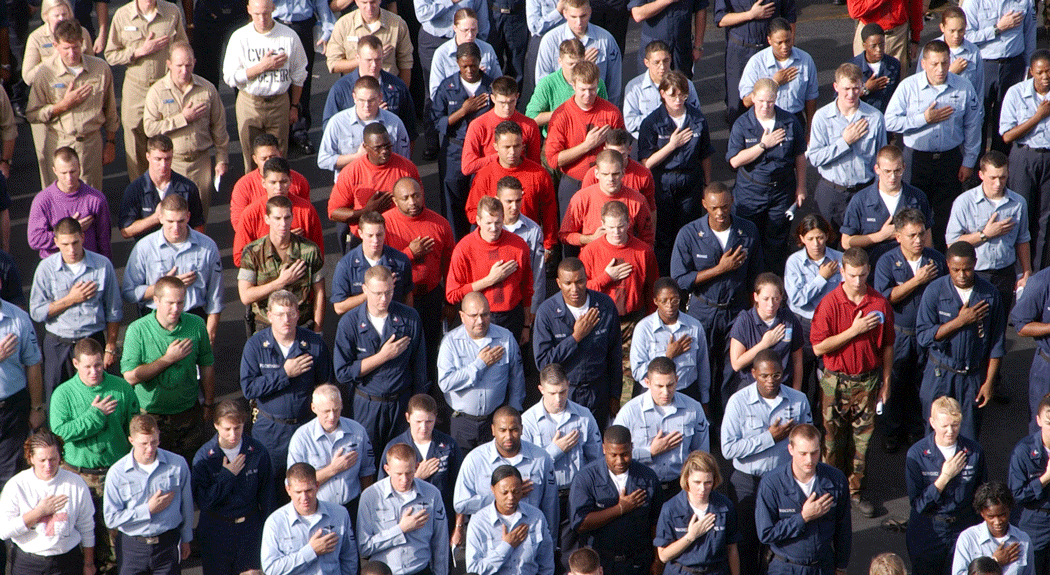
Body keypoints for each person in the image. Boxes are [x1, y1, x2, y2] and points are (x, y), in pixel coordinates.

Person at [810, 246, 893, 517]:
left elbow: (888, 345)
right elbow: (819, 348)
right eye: (852, 275)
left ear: (869, 271)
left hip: (868, 381)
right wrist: (853, 331)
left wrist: (886, 381)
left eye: (863, 275)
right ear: (842, 272)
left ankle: (855, 491)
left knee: (862, 441)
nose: (858, 281)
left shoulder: (879, 303)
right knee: (832, 439)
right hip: (836, 381)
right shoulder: (829, 304)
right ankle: (829, 491)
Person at [50, 338, 139, 575]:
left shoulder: (121, 388)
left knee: (116, 538)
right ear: (76, 363)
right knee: (81, 536)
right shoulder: (64, 394)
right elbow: (61, 432)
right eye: (88, 366)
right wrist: (95, 416)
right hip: (79, 476)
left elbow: (134, 427)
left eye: (98, 365)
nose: (94, 372)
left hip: (115, 473)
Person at [670, 183, 762, 411]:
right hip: (703, 311)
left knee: (733, 370)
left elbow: (756, 275)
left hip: (737, 311)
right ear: (704, 205)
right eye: (714, 208)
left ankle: (727, 421)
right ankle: (705, 420)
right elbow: (679, 279)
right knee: (703, 368)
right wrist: (720, 269)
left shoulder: (747, 230)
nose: (720, 213)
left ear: (732, 202)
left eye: (724, 206)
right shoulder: (689, 234)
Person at [721, 349, 813, 575]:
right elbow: (728, 448)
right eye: (764, 376)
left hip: (784, 483)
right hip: (747, 483)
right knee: (746, 542)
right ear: (753, 373)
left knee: (782, 541)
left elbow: (809, 443)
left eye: (776, 375)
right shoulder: (738, 402)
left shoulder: (798, 401)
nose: (771, 381)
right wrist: (769, 437)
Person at [885, 39, 983, 250]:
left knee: (946, 217)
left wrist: (969, 161)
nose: (940, 69)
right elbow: (890, 120)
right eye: (935, 64)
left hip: (950, 160)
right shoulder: (908, 87)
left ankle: (941, 261)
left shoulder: (963, 87)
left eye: (945, 63)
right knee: (913, 214)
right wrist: (923, 119)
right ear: (923, 63)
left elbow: (973, 126)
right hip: (916, 160)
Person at [240, 290, 333, 491]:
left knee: (307, 485)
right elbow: (249, 389)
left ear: (298, 314)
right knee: (269, 488)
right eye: (280, 314)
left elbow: (325, 386)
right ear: (269, 315)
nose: (286, 320)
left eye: (291, 314)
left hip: (306, 427)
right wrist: (284, 373)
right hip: (270, 431)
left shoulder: (314, 344)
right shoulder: (255, 345)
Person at [873, 209, 948, 453]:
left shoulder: (936, 259)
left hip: (927, 334)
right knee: (894, 384)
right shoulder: (887, 261)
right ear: (898, 237)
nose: (918, 240)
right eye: (912, 235)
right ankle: (892, 431)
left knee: (922, 385)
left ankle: (917, 430)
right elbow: (885, 298)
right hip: (898, 334)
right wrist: (916, 281)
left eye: (922, 234)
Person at [121, 276, 215, 467]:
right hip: (151, 417)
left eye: (180, 302)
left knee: (192, 470)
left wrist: (209, 404)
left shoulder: (196, 325)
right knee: (154, 469)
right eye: (170, 303)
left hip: (188, 413)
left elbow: (207, 366)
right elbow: (129, 376)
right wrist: (168, 359)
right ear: (156, 301)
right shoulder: (138, 330)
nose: (176, 308)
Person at [916, 240, 1006, 440]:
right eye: (956, 269)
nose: (962, 275)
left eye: (967, 269)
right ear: (948, 264)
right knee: (935, 435)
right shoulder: (935, 291)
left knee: (968, 435)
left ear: (975, 263)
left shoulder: (989, 295)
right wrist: (960, 321)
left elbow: (997, 344)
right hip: (940, 375)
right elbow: (923, 336)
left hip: (971, 377)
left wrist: (989, 382)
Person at [334, 265, 428, 452]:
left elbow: (420, 367)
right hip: (367, 406)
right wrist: (383, 357)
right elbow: (342, 373)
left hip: (401, 405)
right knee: (366, 461)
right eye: (377, 293)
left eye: (388, 292)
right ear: (365, 290)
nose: (383, 299)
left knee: (401, 459)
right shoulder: (349, 323)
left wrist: (418, 408)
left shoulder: (409, 318)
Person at [29, 217, 121, 404]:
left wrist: (110, 347)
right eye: (65, 244)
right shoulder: (46, 269)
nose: (71, 250)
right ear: (55, 242)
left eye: (75, 242)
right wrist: (70, 299)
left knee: (98, 395)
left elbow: (114, 310)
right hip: (58, 344)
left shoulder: (102, 265)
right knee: (57, 398)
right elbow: (36, 312)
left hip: (92, 340)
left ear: (83, 237)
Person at [26, 18, 118, 192]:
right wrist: (62, 105)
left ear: (82, 43)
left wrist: (111, 143)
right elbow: (32, 114)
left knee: (91, 202)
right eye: (66, 48)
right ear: (56, 45)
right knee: (61, 203)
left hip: (90, 146)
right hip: (60, 144)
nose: (72, 53)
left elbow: (111, 110)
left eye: (75, 47)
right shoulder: (45, 74)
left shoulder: (100, 69)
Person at [522, 363, 601, 564]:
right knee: (543, 552)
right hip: (543, 496)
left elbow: (596, 460)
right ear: (541, 389)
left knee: (571, 556)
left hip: (576, 496)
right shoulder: (528, 421)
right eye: (552, 393)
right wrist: (555, 450)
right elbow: (527, 467)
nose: (559, 399)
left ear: (568, 385)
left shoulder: (584, 416)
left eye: (563, 391)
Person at [142, 42, 229, 223]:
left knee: (199, 216)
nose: (184, 70)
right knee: (172, 216)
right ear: (169, 64)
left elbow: (219, 127)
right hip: (171, 165)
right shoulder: (157, 92)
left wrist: (221, 159)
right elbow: (149, 128)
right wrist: (183, 118)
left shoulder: (207, 89)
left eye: (188, 65)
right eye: (179, 66)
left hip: (200, 163)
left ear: (195, 63)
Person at [727, 76, 806, 273]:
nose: (765, 106)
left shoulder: (789, 121)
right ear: (753, 98)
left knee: (777, 241)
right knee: (747, 238)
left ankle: (774, 281)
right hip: (751, 191)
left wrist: (802, 186)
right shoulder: (742, 124)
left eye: (770, 101)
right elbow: (734, 161)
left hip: (782, 191)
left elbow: (799, 156)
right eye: (761, 101)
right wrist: (763, 145)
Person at [638, 70, 712, 275]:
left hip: (691, 179)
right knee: (663, 234)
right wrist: (671, 145)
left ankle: (686, 277)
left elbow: (705, 153)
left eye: (682, 95)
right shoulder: (652, 122)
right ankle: (664, 278)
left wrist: (707, 184)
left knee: (689, 230)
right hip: (663, 181)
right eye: (672, 95)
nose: (678, 100)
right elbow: (646, 163)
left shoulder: (697, 119)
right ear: (662, 94)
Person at [103, 0, 187, 181]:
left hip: (165, 86)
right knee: (134, 138)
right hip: (136, 86)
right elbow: (110, 55)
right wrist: (139, 51)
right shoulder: (122, 15)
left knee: (170, 136)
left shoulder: (172, 12)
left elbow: (182, 48)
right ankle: (141, 191)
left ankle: (169, 191)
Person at [121, 194, 223, 343]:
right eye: (170, 221)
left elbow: (215, 296)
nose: (176, 228)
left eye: (181, 221)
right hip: (156, 324)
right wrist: (164, 286)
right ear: (160, 218)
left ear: (188, 217)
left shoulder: (207, 247)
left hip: (193, 319)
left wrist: (210, 335)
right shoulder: (144, 248)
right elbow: (129, 292)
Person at [382, 178, 455, 385]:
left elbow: (451, 266)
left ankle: (428, 399)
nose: (412, 201)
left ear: (423, 194)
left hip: (431, 297)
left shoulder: (440, 223)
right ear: (395, 201)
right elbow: (378, 267)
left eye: (415, 195)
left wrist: (450, 302)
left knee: (430, 351)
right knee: (401, 352)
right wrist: (409, 254)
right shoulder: (386, 225)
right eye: (405, 198)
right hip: (397, 300)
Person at [579, 199, 657, 393]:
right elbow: (578, 290)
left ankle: (624, 415)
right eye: (611, 227)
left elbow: (652, 289)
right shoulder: (590, 252)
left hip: (633, 321)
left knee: (631, 374)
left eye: (621, 226)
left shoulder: (643, 251)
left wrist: (651, 320)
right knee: (599, 369)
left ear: (629, 222)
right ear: (602, 224)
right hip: (599, 320)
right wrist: (606, 278)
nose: (616, 232)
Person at [533, 258, 622, 428]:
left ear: (586, 279)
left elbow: (615, 355)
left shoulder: (604, 306)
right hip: (566, 395)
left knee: (597, 447)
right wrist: (575, 338)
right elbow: (543, 363)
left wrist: (615, 395)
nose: (574, 289)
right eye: (568, 283)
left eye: (579, 281)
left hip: (598, 392)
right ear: (558, 283)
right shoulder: (547, 312)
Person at [221, 0, 308, 172]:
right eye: (257, 14)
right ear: (249, 10)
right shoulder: (239, 37)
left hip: (279, 102)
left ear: (274, 9)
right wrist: (262, 67)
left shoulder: (289, 36)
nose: (262, 19)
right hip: (249, 102)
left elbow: (299, 75)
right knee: (251, 158)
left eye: (266, 13)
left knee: (278, 159)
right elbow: (230, 77)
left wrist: (294, 106)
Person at [191, 399, 275, 575]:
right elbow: (203, 502)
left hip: (249, 530)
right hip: (217, 530)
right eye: (227, 429)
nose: (233, 434)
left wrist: (269, 531)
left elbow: (267, 496)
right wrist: (226, 476)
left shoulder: (257, 452)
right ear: (216, 426)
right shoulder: (204, 458)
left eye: (237, 428)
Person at [102, 414, 194, 575]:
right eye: (143, 444)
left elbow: (187, 504)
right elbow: (111, 518)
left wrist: (186, 538)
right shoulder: (117, 473)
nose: (150, 449)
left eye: (154, 442)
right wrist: (148, 509)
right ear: (131, 440)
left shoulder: (177, 464)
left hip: (167, 544)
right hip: (133, 548)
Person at [905, 396, 986, 575]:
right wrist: (944, 478)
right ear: (932, 423)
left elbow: (981, 495)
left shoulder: (974, 452)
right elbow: (918, 504)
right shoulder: (917, 455)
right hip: (929, 530)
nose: (950, 431)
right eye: (944, 426)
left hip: (963, 528)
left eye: (955, 425)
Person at [756, 424, 851, 575]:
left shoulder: (836, 480)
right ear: (790, 450)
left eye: (814, 453)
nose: (809, 460)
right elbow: (766, 533)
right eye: (803, 453)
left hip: (823, 566)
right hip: (786, 567)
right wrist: (803, 517)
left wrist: (841, 566)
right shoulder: (772, 484)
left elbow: (843, 528)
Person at [945, 150, 1031, 315]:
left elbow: (1022, 239)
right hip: (975, 274)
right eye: (993, 178)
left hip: (1004, 274)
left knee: (999, 326)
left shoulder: (1018, 203)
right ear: (981, 175)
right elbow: (952, 243)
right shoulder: (964, 202)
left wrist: (1026, 271)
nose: (998, 183)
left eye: (1002, 177)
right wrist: (985, 234)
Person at [453, 406, 558, 540]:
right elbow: (460, 503)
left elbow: (550, 506)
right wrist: (502, 497)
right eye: (502, 430)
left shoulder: (541, 459)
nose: (508, 436)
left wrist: (551, 542)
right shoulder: (475, 460)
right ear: (493, 430)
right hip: (489, 540)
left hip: (530, 538)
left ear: (521, 429)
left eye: (514, 430)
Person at [568, 425, 661, 575]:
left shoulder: (648, 477)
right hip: (602, 564)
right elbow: (580, 523)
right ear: (604, 449)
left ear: (632, 447)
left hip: (638, 564)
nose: (620, 461)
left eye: (625, 454)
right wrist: (620, 509)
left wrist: (658, 561)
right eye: (613, 455)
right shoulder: (586, 478)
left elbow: (656, 523)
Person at [807, 63, 887, 235]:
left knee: (862, 245)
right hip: (831, 193)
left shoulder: (875, 118)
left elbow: (881, 158)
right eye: (846, 89)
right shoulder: (822, 117)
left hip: (863, 192)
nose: (851, 94)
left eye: (856, 88)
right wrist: (844, 142)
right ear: (836, 87)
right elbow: (814, 158)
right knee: (827, 243)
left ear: (862, 86)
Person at [0, 430, 95, 575]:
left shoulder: (76, 484)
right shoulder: (16, 485)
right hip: (28, 563)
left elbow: (86, 527)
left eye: (53, 459)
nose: (48, 465)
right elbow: (4, 531)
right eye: (42, 460)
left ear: (60, 457)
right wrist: (39, 512)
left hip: (67, 561)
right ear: (31, 458)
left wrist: (88, 564)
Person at [438, 292, 525, 449]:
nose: (480, 321)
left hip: (495, 420)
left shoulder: (505, 338)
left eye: (485, 314)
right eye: (473, 315)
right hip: (461, 422)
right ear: (462, 316)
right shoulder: (450, 343)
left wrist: (513, 413)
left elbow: (517, 378)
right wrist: (479, 364)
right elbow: (445, 383)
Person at [614, 357, 710, 495]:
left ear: (677, 380)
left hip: (681, 487)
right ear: (647, 382)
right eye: (659, 386)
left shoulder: (694, 409)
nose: (665, 392)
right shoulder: (630, 412)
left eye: (670, 385)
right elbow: (614, 457)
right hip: (642, 488)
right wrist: (650, 452)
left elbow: (702, 455)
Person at [23, 0, 92, 190]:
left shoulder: (82, 33)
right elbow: (27, 76)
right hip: (48, 108)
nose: (61, 18)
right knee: (51, 165)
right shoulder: (37, 38)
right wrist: (55, 60)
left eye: (65, 14)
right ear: (46, 17)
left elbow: (91, 64)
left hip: (80, 109)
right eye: (56, 15)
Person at [446, 196, 534, 342]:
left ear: (503, 219)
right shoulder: (464, 249)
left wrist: (526, 325)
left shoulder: (518, 245)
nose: (494, 228)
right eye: (488, 223)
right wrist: (489, 280)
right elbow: (452, 294)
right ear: (478, 220)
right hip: (479, 320)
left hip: (513, 318)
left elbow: (527, 288)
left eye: (498, 222)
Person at [377, 394, 463, 542]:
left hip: (441, 519)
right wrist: (415, 477)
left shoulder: (448, 445)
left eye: (429, 421)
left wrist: (459, 527)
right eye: (418, 421)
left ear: (436, 417)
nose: (424, 427)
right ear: (407, 417)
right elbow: (382, 491)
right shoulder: (395, 448)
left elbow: (460, 489)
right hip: (406, 521)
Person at [544, 61, 625, 218]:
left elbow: (622, 150)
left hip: (606, 184)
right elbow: (553, 160)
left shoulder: (611, 113)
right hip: (573, 183)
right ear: (573, 85)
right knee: (569, 233)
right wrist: (587, 145)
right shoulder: (561, 115)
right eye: (583, 89)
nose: (588, 95)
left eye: (593, 89)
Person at [328, 117, 420, 252]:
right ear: (366, 147)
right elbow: (333, 212)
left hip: (401, 239)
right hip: (366, 241)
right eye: (378, 148)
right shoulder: (351, 172)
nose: (384, 151)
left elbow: (420, 204)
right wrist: (366, 211)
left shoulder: (407, 168)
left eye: (388, 146)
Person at [431, 42, 493, 239]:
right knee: (452, 202)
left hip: (482, 153)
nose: (469, 70)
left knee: (481, 200)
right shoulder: (446, 87)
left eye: (473, 65)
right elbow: (435, 123)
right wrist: (462, 112)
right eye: (464, 66)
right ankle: (455, 246)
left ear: (479, 62)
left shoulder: (491, 87)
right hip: (454, 152)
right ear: (457, 63)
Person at [237, 195, 326, 334]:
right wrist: (280, 283)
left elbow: (320, 293)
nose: (283, 224)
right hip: (265, 326)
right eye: (277, 218)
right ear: (267, 219)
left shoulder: (309, 250)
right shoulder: (252, 252)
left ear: (292, 217)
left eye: (287, 217)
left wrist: (318, 330)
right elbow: (245, 296)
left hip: (301, 325)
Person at [357, 443, 449, 575]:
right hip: (386, 571)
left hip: (420, 570)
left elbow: (440, 542)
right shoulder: (370, 496)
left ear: (416, 467)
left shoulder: (432, 494)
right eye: (398, 474)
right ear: (387, 469)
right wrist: (400, 529)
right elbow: (364, 547)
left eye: (409, 473)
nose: (404, 479)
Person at [418, 7, 497, 161]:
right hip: (453, 123)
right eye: (465, 30)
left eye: (474, 30)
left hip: (482, 119)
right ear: (454, 28)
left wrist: (481, 77)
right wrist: (462, 103)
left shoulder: (487, 50)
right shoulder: (441, 54)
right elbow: (435, 92)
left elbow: (498, 84)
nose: (470, 35)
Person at [466, 122, 559, 251]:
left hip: (529, 242)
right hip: (495, 244)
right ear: (496, 146)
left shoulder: (539, 174)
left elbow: (549, 213)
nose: (512, 152)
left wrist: (548, 245)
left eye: (516, 146)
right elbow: (472, 212)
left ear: (523, 145)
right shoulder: (484, 176)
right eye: (507, 147)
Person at [287, 384, 376, 514]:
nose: (332, 416)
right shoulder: (301, 438)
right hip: (318, 509)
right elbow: (295, 483)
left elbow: (367, 472)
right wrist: (333, 469)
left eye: (336, 409)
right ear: (314, 408)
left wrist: (368, 507)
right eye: (326, 411)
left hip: (352, 506)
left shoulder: (358, 432)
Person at [785, 214, 842, 412]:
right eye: (810, 238)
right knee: (800, 374)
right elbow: (797, 299)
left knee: (826, 378)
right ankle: (801, 415)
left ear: (827, 236)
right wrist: (821, 278)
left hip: (830, 328)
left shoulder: (839, 260)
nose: (816, 243)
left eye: (819, 237)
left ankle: (822, 417)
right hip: (803, 325)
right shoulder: (794, 262)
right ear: (802, 239)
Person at [841, 145, 933, 265]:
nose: (893, 177)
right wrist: (880, 236)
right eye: (887, 171)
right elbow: (846, 242)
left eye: (897, 171)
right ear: (877, 169)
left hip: (909, 268)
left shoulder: (917, 197)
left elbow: (927, 235)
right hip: (873, 267)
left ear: (904, 167)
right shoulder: (861, 200)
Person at [963, 0, 1034, 156]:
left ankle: (1000, 163)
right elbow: (966, 36)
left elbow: (1029, 33)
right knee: (978, 116)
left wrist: (1030, 67)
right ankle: (975, 166)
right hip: (983, 65)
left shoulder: (1025, 1)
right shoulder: (973, 2)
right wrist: (997, 28)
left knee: (1007, 116)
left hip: (1013, 65)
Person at [260, 463, 359, 575]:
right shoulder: (275, 523)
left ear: (317, 486)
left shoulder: (340, 514)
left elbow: (349, 559)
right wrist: (311, 551)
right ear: (288, 489)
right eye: (298, 492)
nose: (304, 498)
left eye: (308, 491)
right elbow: (270, 569)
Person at [1001, 49, 1050, 271]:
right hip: (1024, 156)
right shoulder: (1016, 93)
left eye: (1049, 71)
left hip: (1048, 157)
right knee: (1021, 212)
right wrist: (1038, 117)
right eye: (1040, 72)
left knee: (1045, 218)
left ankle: (1039, 271)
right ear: (1031, 72)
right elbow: (1007, 135)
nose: (1045, 77)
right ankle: (1020, 270)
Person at [655, 451, 740, 575]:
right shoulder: (671, 508)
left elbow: (732, 549)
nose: (702, 489)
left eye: (708, 483)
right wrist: (691, 536)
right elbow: (663, 556)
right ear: (686, 479)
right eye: (697, 482)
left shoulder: (725, 506)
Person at [322, 35, 417, 143]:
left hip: (389, 152)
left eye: (378, 59)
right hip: (352, 152)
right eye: (369, 60)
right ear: (357, 58)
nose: (374, 65)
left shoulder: (397, 86)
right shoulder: (341, 89)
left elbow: (409, 131)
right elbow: (329, 129)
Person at [233, 156, 325, 268]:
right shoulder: (250, 214)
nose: (279, 187)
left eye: (283, 181)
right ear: (263, 182)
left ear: (291, 180)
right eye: (273, 182)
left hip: (300, 277)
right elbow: (239, 258)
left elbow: (318, 255)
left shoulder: (306, 211)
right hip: (264, 281)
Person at [713, 0, 796, 122]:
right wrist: (750, 14)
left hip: (769, 51)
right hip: (740, 52)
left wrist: (789, 46)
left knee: (771, 100)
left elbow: (790, 16)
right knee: (736, 105)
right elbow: (720, 19)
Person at [630, 278, 710, 403]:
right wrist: (667, 356)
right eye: (664, 301)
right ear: (655, 301)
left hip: (687, 393)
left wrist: (704, 399)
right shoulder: (643, 329)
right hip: (653, 395)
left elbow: (703, 366)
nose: (670, 305)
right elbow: (637, 372)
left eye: (674, 300)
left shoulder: (694, 327)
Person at [318, 75, 411, 181]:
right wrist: (357, 157)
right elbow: (324, 160)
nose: (366, 105)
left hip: (385, 184)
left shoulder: (394, 123)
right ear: (354, 97)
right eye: (361, 100)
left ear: (380, 97)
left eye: (371, 100)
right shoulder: (337, 123)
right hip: (350, 185)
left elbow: (404, 160)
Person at [466, 465, 555, 575]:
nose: (511, 497)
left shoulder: (536, 517)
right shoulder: (479, 522)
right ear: (492, 489)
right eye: (504, 492)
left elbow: (546, 565)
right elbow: (474, 569)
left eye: (516, 492)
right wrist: (506, 546)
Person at [726, 274, 803, 401]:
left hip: (782, 388)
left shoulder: (789, 320)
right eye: (765, 299)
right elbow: (736, 363)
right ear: (756, 297)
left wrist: (796, 393)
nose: (771, 304)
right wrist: (764, 344)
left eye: (776, 299)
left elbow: (797, 361)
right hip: (751, 387)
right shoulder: (744, 320)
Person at [559, 150, 656, 252]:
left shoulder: (637, 201)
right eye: (605, 174)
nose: (610, 179)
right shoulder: (581, 199)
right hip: (592, 262)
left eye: (615, 174)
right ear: (596, 173)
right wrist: (590, 239)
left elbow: (648, 239)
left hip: (626, 262)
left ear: (623, 173)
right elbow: (565, 235)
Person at [27, 147, 111, 260]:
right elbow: (35, 239)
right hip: (55, 268)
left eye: (73, 171)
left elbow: (104, 240)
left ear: (80, 168)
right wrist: (71, 230)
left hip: (88, 265)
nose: (69, 178)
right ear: (54, 171)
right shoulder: (42, 200)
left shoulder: (96, 199)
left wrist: (106, 267)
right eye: (63, 173)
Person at [117, 135, 205, 242]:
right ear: (148, 156)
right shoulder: (135, 190)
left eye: (167, 159)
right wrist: (155, 217)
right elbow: (126, 231)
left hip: (181, 249)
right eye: (158, 159)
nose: (163, 165)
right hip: (149, 252)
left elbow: (198, 225)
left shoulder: (188, 188)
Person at [534, 0, 622, 106]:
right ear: (565, 13)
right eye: (573, 17)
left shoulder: (606, 40)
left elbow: (614, 85)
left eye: (583, 16)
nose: (579, 22)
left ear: (590, 11)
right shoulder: (550, 41)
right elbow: (541, 83)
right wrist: (581, 66)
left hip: (595, 110)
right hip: (560, 109)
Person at [738, 19, 818, 131]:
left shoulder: (805, 60)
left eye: (788, 41)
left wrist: (810, 130)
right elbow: (746, 102)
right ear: (769, 40)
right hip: (765, 122)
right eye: (779, 43)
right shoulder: (757, 63)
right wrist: (774, 83)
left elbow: (811, 99)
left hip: (795, 120)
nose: (784, 46)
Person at [331, 211, 413, 315]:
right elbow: (339, 307)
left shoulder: (400, 261)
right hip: (361, 326)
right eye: (370, 235)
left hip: (393, 322)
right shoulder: (346, 265)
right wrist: (371, 293)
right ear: (360, 234)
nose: (375, 240)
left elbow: (408, 296)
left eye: (379, 235)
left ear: (385, 232)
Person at [524, 39, 608, 135]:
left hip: (588, 137)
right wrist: (565, 113)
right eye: (570, 64)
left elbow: (605, 114)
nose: (575, 68)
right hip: (556, 140)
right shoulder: (547, 83)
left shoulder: (596, 83)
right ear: (560, 61)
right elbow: (531, 118)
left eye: (578, 63)